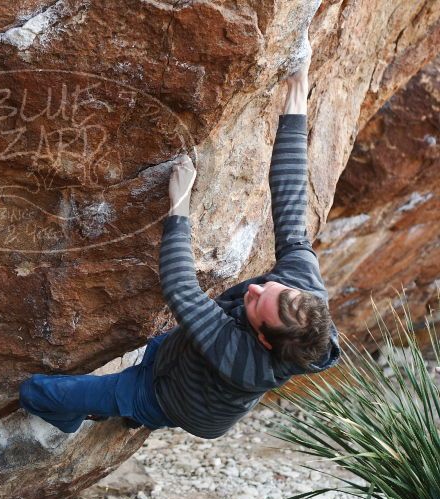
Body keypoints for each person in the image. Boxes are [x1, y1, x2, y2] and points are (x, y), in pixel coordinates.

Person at [18, 42, 340, 437]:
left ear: (262, 340)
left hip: (169, 399)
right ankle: (110, 407)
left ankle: (73, 418)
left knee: (37, 391)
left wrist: (180, 202)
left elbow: (181, 288)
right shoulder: (302, 296)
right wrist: (297, 88)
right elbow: (291, 201)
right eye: (273, 287)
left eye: (258, 303)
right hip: (180, 355)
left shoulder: (242, 359)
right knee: (160, 350)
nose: (256, 288)